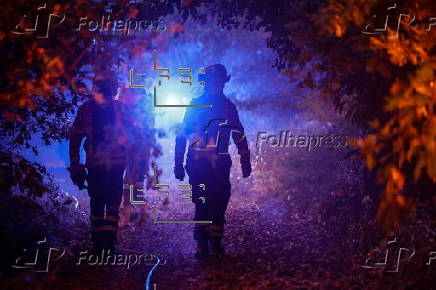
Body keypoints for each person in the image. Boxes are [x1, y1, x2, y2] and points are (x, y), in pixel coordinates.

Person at [174, 64, 252, 259]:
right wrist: (178, 162)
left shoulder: (228, 107)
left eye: (219, 82)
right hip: (197, 163)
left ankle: (215, 243)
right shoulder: (195, 105)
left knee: (219, 201)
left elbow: (238, 133)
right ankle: (202, 245)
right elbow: (182, 135)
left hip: (220, 163)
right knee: (201, 202)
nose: (217, 85)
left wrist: (245, 159)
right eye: (213, 82)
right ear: (206, 83)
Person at [69, 78, 141, 253]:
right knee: (113, 202)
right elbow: (136, 136)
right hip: (116, 163)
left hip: (94, 163)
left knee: (97, 202)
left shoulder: (86, 109)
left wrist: (75, 162)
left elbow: (76, 137)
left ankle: (98, 244)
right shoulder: (122, 109)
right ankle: (109, 244)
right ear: (113, 90)